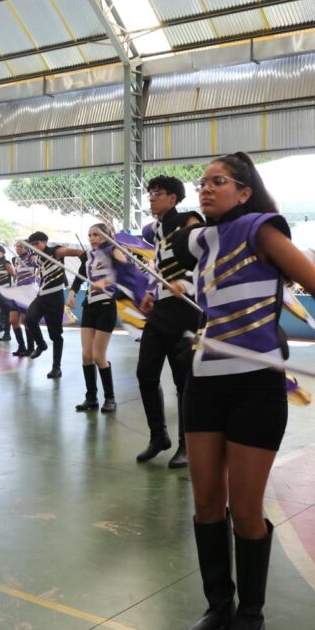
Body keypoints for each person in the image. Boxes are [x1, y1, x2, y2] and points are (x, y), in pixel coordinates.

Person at [168, 153, 315, 630]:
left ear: (244, 191)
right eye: (202, 182)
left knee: (247, 508)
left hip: (256, 386)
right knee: (206, 504)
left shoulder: (261, 228)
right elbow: (175, 232)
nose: (206, 188)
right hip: (205, 384)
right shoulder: (205, 239)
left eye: (219, 181)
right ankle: (219, 606)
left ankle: (250, 615)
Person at [136, 176, 204, 468]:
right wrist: (152, 292)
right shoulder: (158, 231)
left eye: (158, 194)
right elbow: (162, 268)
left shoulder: (190, 223)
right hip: (161, 309)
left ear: (173, 198)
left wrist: (186, 284)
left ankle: (186, 446)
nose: (151, 198)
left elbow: (205, 261)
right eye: (150, 193)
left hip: (186, 310)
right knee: (145, 374)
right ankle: (158, 436)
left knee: (182, 380)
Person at [67, 224, 121, 413]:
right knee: (86, 355)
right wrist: (73, 292)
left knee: (99, 356)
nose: (92, 238)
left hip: (107, 305)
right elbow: (81, 274)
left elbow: (122, 273)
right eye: (89, 235)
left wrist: (104, 282)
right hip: (90, 306)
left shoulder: (115, 251)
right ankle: (91, 398)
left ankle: (110, 398)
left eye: (96, 235)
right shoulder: (90, 256)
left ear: (106, 236)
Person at [24, 232, 84, 379]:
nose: (34, 247)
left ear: (45, 242)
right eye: (32, 245)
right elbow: (35, 261)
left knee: (56, 335)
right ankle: (41, 344)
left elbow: (75, 252)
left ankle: (56, 367)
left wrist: (85, 257)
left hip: (55, 297)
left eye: (36, 243)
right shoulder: (38, 257)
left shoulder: (55, 251)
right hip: (41, 296)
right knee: (29, 319)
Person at [9, 242, 38, 357]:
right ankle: (21, 346)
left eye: (20, 246)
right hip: (17, 291)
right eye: (16, 246)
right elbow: (16, 274)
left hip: (28, 291)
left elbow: (37, 261)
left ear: (27, 248)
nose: (17, 248)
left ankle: (31, 348)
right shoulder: (15, 260)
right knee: (13, 320)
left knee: (26, 320)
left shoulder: (31, 257)